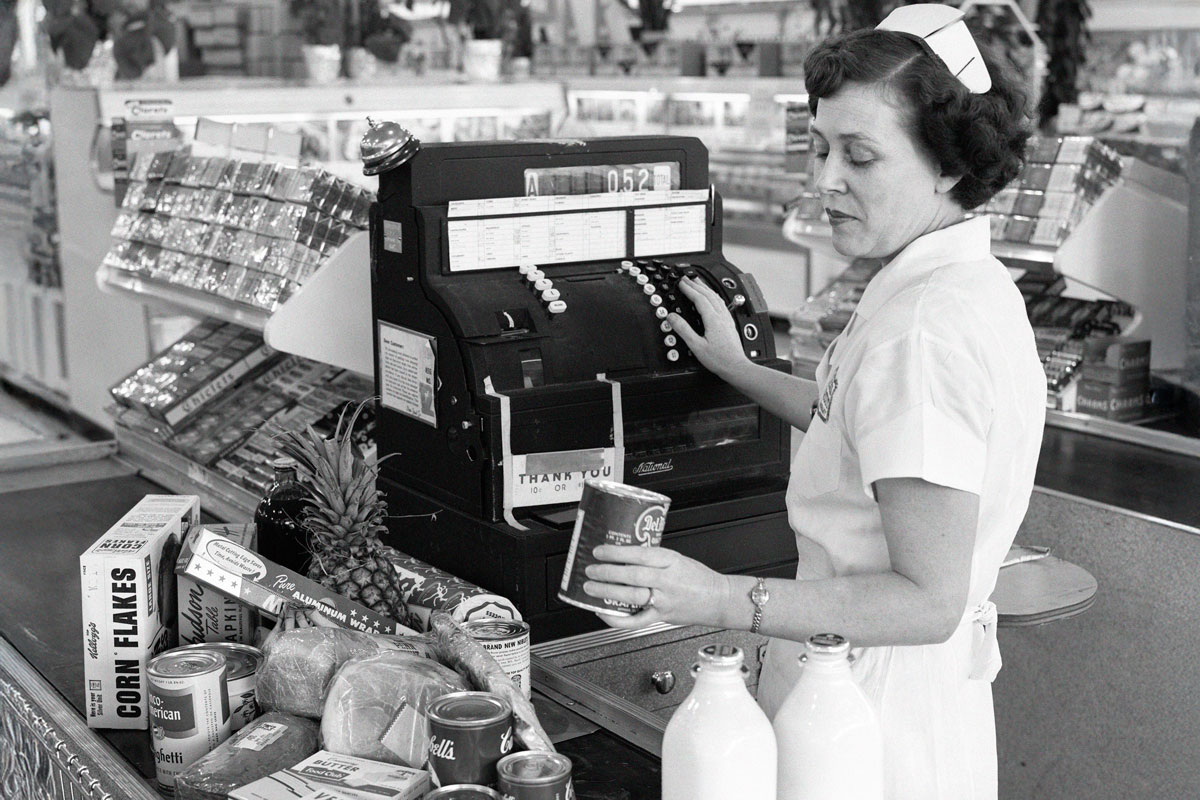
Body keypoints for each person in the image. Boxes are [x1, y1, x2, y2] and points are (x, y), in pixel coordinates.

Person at [581, 5, 1045, 797]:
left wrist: (715, 596)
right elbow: (863, 422)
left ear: (948, 166)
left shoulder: (923, 332)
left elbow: (927, 600)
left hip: (871, 718)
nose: (824, 180)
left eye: (860, 157)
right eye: (821, 148)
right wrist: (738, 366)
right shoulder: (955, 279)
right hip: (890, 696)